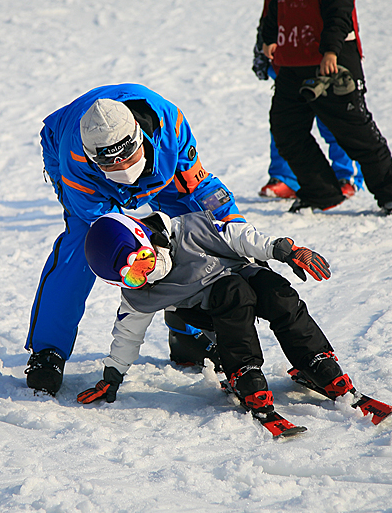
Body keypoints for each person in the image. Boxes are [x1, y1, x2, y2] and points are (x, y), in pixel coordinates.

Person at [26, 84, 244, 395]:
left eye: (128, 158)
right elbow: (106, 224)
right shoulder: (75, 158)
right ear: (93, 158)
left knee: (192, 225)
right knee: (84, 245)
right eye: (112, 164)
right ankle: (48, 351)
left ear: (140, 137)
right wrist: (150, 248)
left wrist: (233, 228)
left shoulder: (170, 127)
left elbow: (202, 188)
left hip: (159, 167)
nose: (124, 169)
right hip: (81, 171)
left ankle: (187, 330)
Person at [76, 210, 357, 438]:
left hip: (242, 274)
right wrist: (112, 376)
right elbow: (128, 333)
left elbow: (240, 237)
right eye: (134, 276)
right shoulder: (141, 294)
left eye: (144, 259)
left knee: (277, 293)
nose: (148, 273)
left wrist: (283, 250)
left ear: (147, 236)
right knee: (234, 293)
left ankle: (315, 361)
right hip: (209, 306)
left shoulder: (191, 229)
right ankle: (244, 373)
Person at [260, 0, 392, 214]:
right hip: (291, 70)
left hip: (332, 69)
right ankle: (321, 193)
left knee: (356, 135)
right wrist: (266, 44)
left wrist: (330, 52)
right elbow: (271, 18)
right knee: (286, 132)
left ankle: (391, 195)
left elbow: (338, 17)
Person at [253, 30, 364, 199]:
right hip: (287, 59)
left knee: (332, 121)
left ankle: (345, 176)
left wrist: (336, 51)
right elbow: (271, 11)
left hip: (324, 60)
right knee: (286, 124)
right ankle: (286, 178)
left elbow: (339, 15)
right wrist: (262, 44)